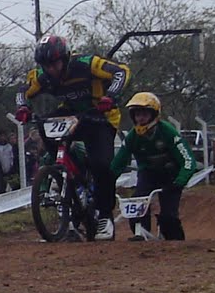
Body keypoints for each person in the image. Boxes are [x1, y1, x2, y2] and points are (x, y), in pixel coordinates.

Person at [14, 33, 130, 239]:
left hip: (100, 116)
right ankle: (70, 172)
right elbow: (23, 89)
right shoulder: (42, 75)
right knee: (43, 124)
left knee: (102, 165)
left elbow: (121, 72)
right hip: (71, 115)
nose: (50, 69)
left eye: (54, 64)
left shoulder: (87, 64)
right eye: (45, 65)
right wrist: (22, 106)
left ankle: (105, 215)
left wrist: (110, 96)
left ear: (65, 58)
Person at [110, 92, 196, 241]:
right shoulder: (132, 136)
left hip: (171, 176)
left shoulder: (168, 131)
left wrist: (180, 182)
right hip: (148, 174)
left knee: (169, 216)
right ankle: (140, 233)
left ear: (154, 114)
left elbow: (188, 160)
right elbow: (119, 161)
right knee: (137, 203)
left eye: (144, 113)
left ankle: (175, 240)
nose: (140, 118)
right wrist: (107, 182)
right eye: (137, 114)